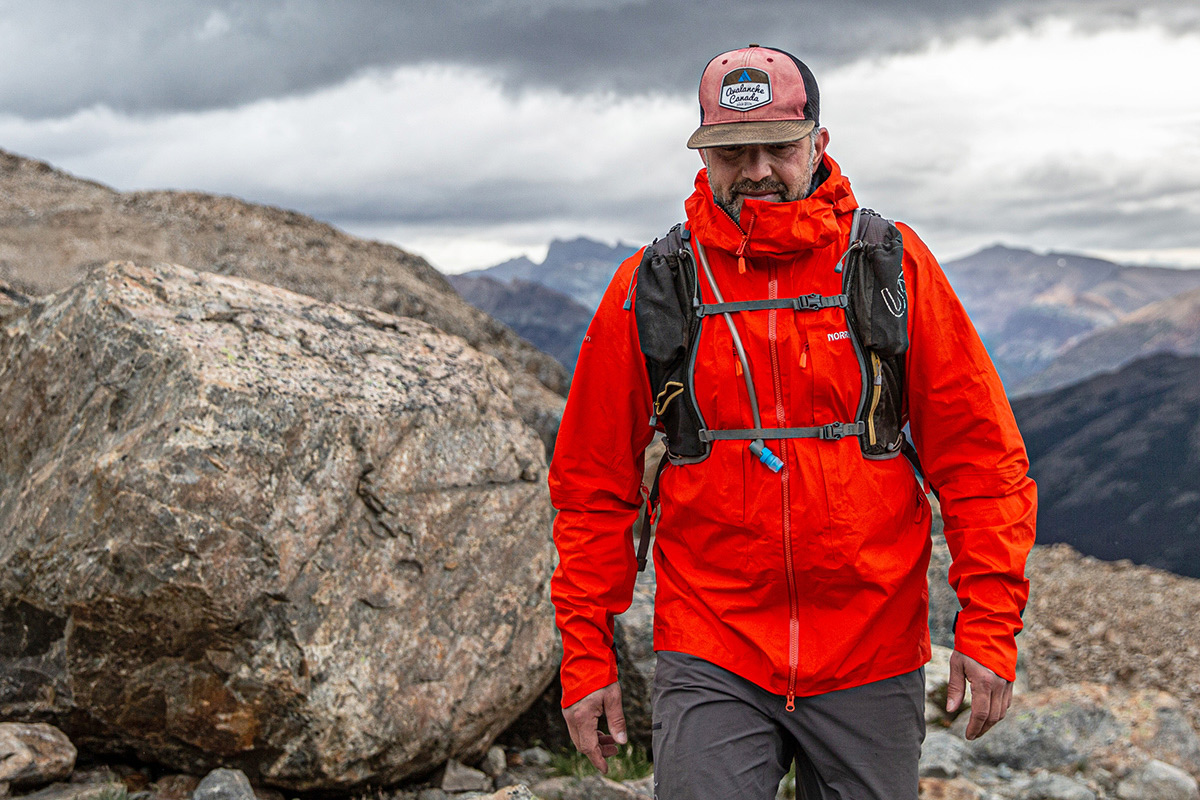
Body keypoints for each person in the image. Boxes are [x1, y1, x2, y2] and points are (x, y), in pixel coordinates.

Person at [549, 44, 1036, 800]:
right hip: (712, 647)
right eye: (731, 152)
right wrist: (586, 657)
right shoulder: (655, 283)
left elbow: (981, 461)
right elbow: (591, 484)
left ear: (818, 142)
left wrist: (989, 624)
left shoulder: (890, 265)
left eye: (778, 147)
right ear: (703, 156)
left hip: (871, 648)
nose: (757, 171)